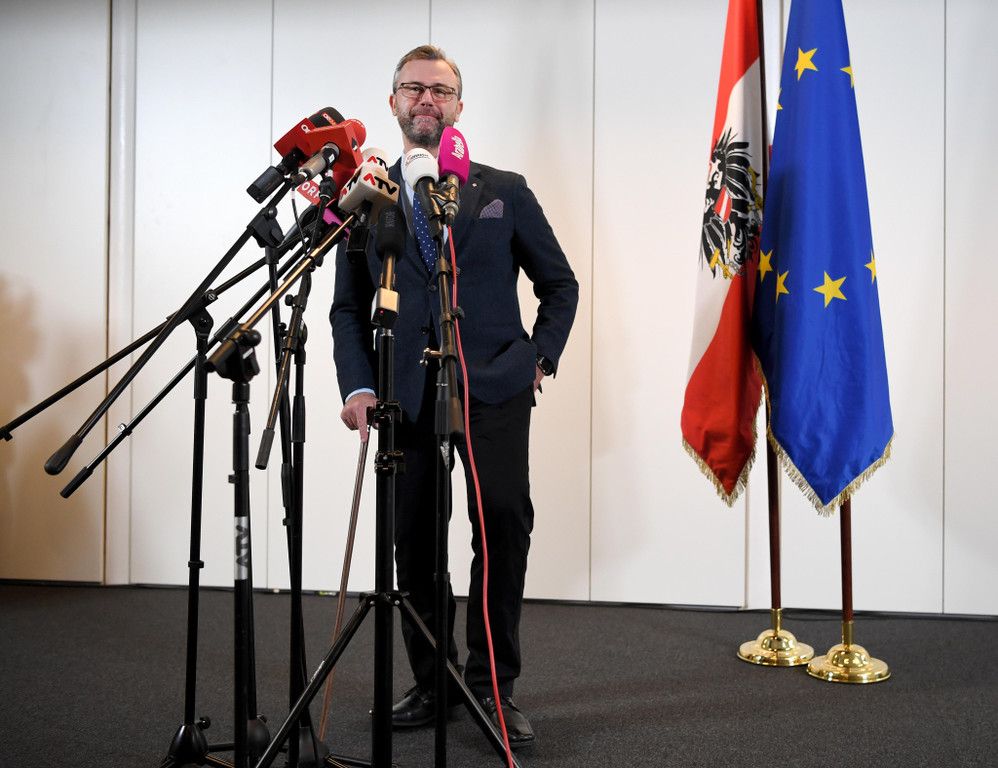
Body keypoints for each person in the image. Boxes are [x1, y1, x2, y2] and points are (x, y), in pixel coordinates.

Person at [329, 44, 578, 748]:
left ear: (459, 106)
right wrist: (359, 385)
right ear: (393, 102)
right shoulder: (368, 197)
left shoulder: (505, 190)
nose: (426, 99)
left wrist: (538, 358)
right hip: (404, 395)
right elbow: (347, 308)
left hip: (494, 386)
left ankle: (493, 686)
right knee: (415, 540)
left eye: (440, 90)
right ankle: (433, 684)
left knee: (501, 527)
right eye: (413, 88)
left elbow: (560, 285)